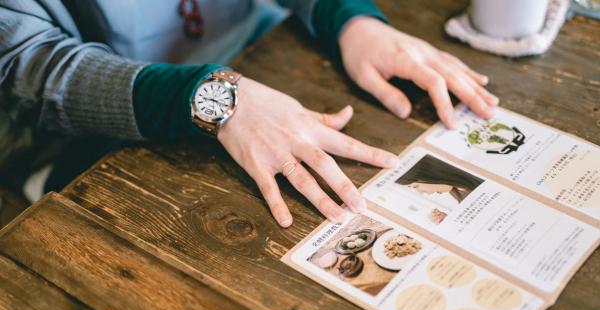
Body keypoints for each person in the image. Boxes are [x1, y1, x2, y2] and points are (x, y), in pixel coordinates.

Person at [0, 0, 498, 228]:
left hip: (261, 51)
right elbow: (32, 67)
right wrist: (213, 96)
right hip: (101, 134)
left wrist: (349, 19)